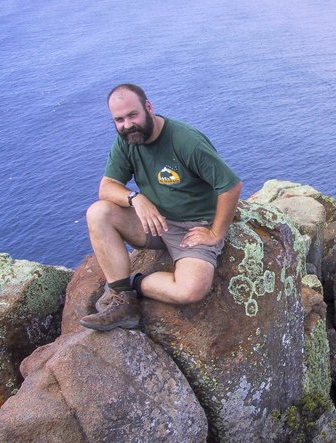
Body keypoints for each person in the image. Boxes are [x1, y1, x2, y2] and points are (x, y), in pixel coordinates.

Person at [80, 84, 242, 331]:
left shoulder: (185, 141)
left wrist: (214, 233)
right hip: (155, 221)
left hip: (193, 226)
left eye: (132, 115)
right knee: (98, 212)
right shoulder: (126, 141)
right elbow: (107, 187)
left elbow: (230, 186)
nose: (127, 124)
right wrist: (136, 198)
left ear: (149, 107)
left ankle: (132, 285)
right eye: (119, 119)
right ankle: (123, 303)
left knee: (191, 289)